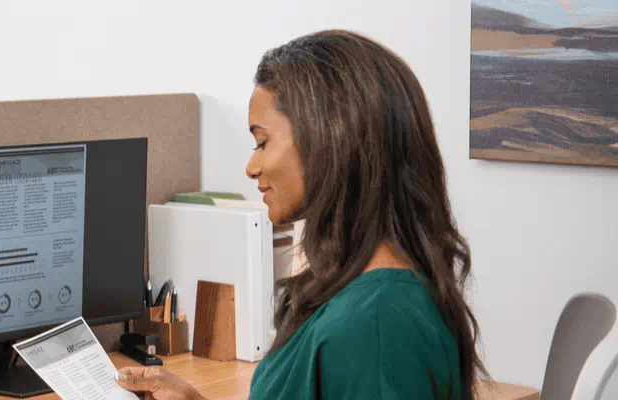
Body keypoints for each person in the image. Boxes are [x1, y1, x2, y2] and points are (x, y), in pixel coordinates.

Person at [116, 30, 485, 399]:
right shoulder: (361, 290)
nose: (251, 166)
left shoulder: (375, 324)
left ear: (330, 141)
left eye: (262, 142)